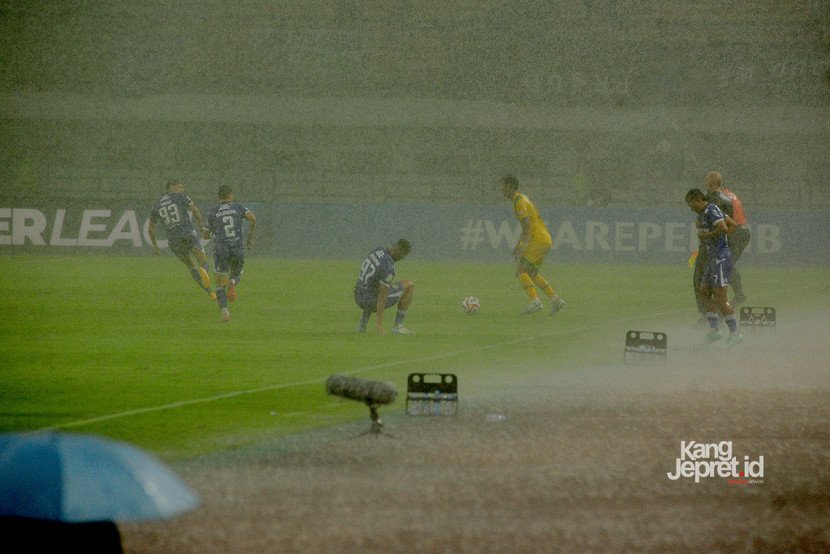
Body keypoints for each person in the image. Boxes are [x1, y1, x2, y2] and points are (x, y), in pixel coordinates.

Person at [499, 174, 565, 315]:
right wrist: (519, 244)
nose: (501, 189)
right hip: (544, 238)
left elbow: (528, 226)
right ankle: (555, 300)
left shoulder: (518, 201)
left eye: (503, 185)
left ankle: (535, 302)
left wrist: (522, 246)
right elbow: (527, 226)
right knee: (532, 273)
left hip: (538, 239)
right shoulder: (522, 198)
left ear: (510, 186)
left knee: (520, 271)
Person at [685, 188, 743, 346]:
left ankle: (735, 333)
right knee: (704, 291)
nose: (692, 209)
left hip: (719, 259)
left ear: (698, 200)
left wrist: (710, 238)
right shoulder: (706, 213)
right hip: (713, 257)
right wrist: (720, 242)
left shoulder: (711, 209)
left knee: (720, 298)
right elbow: (732, 224)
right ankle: (715, 330)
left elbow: (724, 228)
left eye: (692, 205)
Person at [148, 179, 214, 299]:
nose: (182, 190)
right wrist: (201, 227)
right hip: (187, 233)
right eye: (180, 187)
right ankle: (204, 271)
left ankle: (209, 291)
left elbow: (150, 229)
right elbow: (195, 210)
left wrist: (155, 246)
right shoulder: (179, 196)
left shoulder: (156, 205)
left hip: (174, 241)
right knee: (203, 261)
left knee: (191, 266)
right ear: (171, 187)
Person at [203, 185, 257, 322]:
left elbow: (205, 235)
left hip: (221, 249)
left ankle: (225, 313)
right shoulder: (238, 207)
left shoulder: (213, 212)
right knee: (237, 273)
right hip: (237, 247)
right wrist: (250, 238)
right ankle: (232, 282)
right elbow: (253, 219)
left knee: (220, 284)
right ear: (231, 196)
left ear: (218, 197)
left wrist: (210, 233)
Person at [705, 171, 750, 306]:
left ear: (712, 184)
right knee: (726, 263)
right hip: (741, 230)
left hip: (735, 231)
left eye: (707, 183)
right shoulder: (728, 193)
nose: (705, 186)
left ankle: (735, 296)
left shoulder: (717, 198)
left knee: (723, 263)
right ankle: (736, 295)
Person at [354, 239, 415, 335]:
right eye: (403, 255)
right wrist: (379, 323)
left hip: (358, 296)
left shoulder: (378, 250)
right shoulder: (389, 268)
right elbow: (382, 295)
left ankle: (362, 327)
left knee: (372, 287)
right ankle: (398, 327)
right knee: (409, 285)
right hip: (370, 301)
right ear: (400, 253)